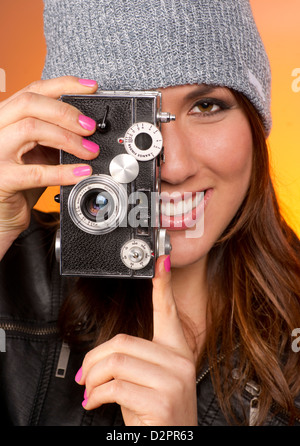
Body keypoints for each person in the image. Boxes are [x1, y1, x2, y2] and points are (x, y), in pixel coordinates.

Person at [0, 0, 300, 426]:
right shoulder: (10, 266)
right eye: (124, 119)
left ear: (254, 121)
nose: (173, 167)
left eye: (206, 106)